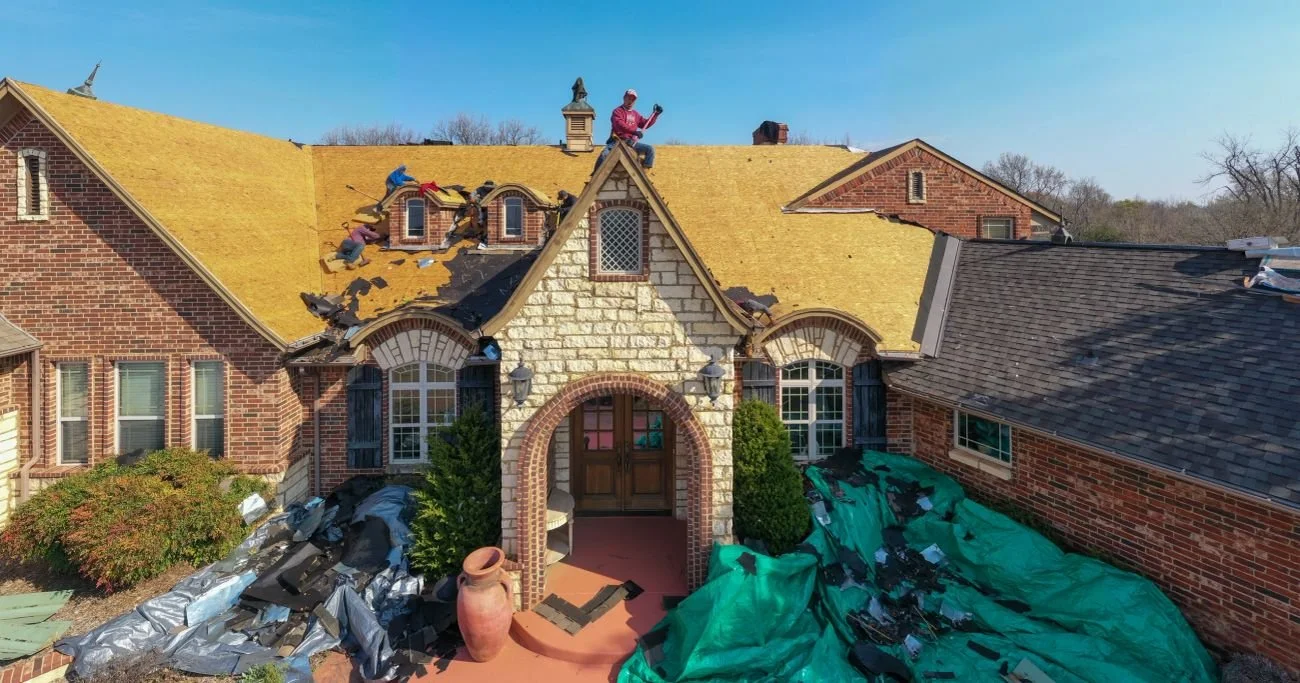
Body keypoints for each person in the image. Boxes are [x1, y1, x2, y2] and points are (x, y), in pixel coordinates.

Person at [593, 89, 662, 173]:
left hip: (631, 142)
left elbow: (645, 124)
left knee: (649, 149)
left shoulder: (636, 114)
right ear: (624, 98)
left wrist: (655, 114)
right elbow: (619, 124)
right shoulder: (617, 111)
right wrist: (634, 132)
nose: (630, 101)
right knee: (604, 155)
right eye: (629, 98)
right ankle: (595, 176)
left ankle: (644, 175)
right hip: (617, 141)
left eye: (633, 99)